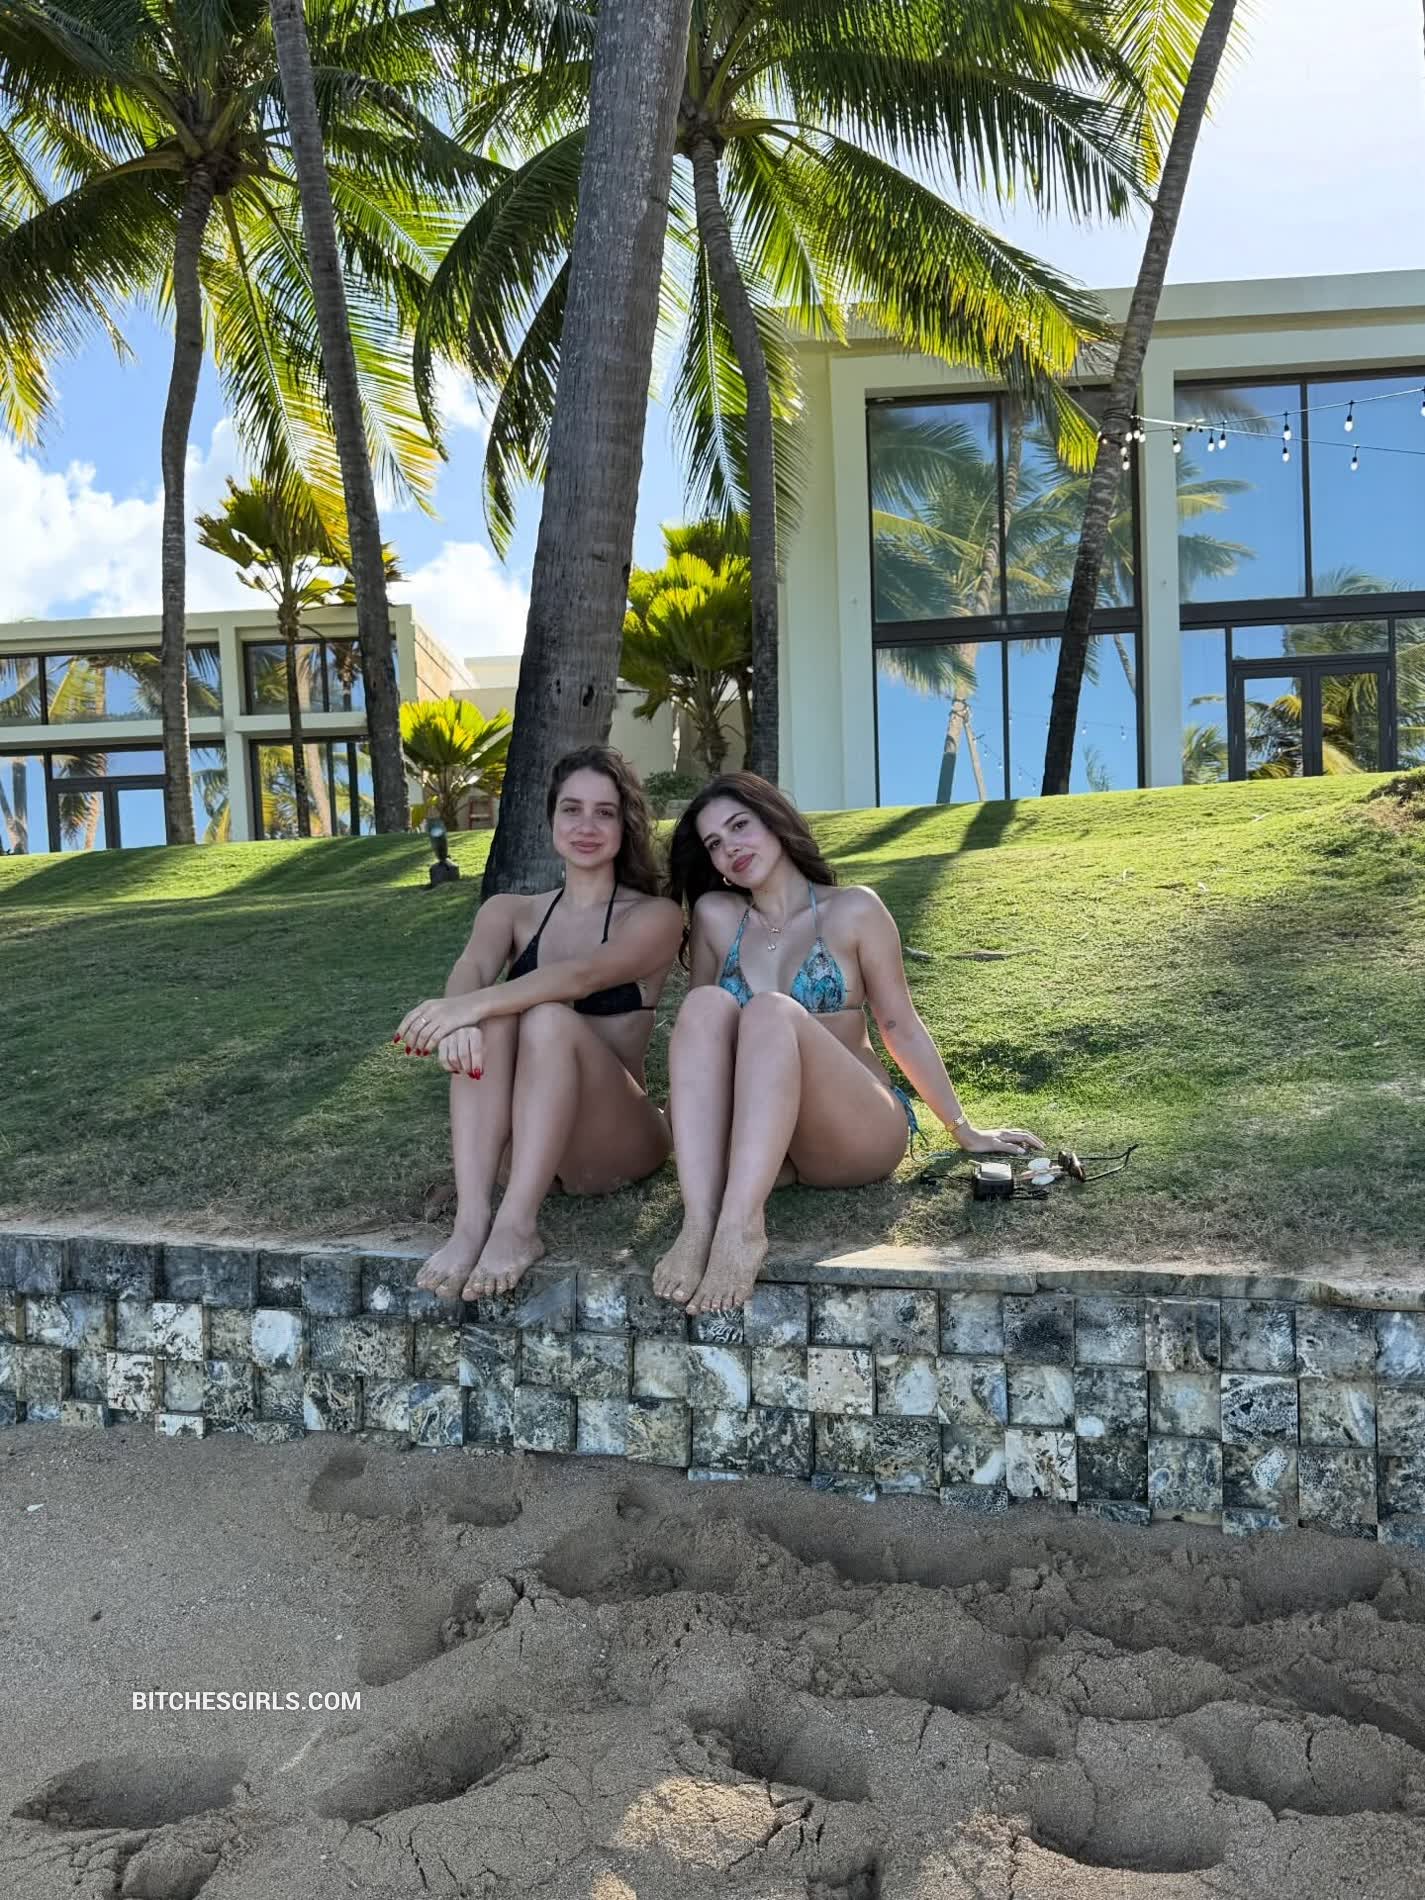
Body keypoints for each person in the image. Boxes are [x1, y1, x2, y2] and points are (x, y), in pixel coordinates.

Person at [651, 772, 1047, 1314]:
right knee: (703, 1003)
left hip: (854, 1129)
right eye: (714, 843)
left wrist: (963, 1128)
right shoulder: (716, 917)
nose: (730, 848)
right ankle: (700, 1224)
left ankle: (740, 1226)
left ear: (775, 822)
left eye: (740, 826)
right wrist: (678, 1115)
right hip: (762, 1140)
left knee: (769, 1011)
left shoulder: (854, 909)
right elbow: (705, 1038)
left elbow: (900, 1026)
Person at [398, 747, 682, 1302]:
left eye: (604, 812)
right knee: (493, 1019)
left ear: (625, 824)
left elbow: (582, 975)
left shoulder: (655, 916)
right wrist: (461, 1019)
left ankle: (516, 1226)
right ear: (551, 817)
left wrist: (470, 1007)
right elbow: (471, 969)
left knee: (543, 1016)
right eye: (572, 809)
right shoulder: (507, 911)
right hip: (525, 1150)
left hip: (617, 1140)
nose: (586, 826)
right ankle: (471, 1224)